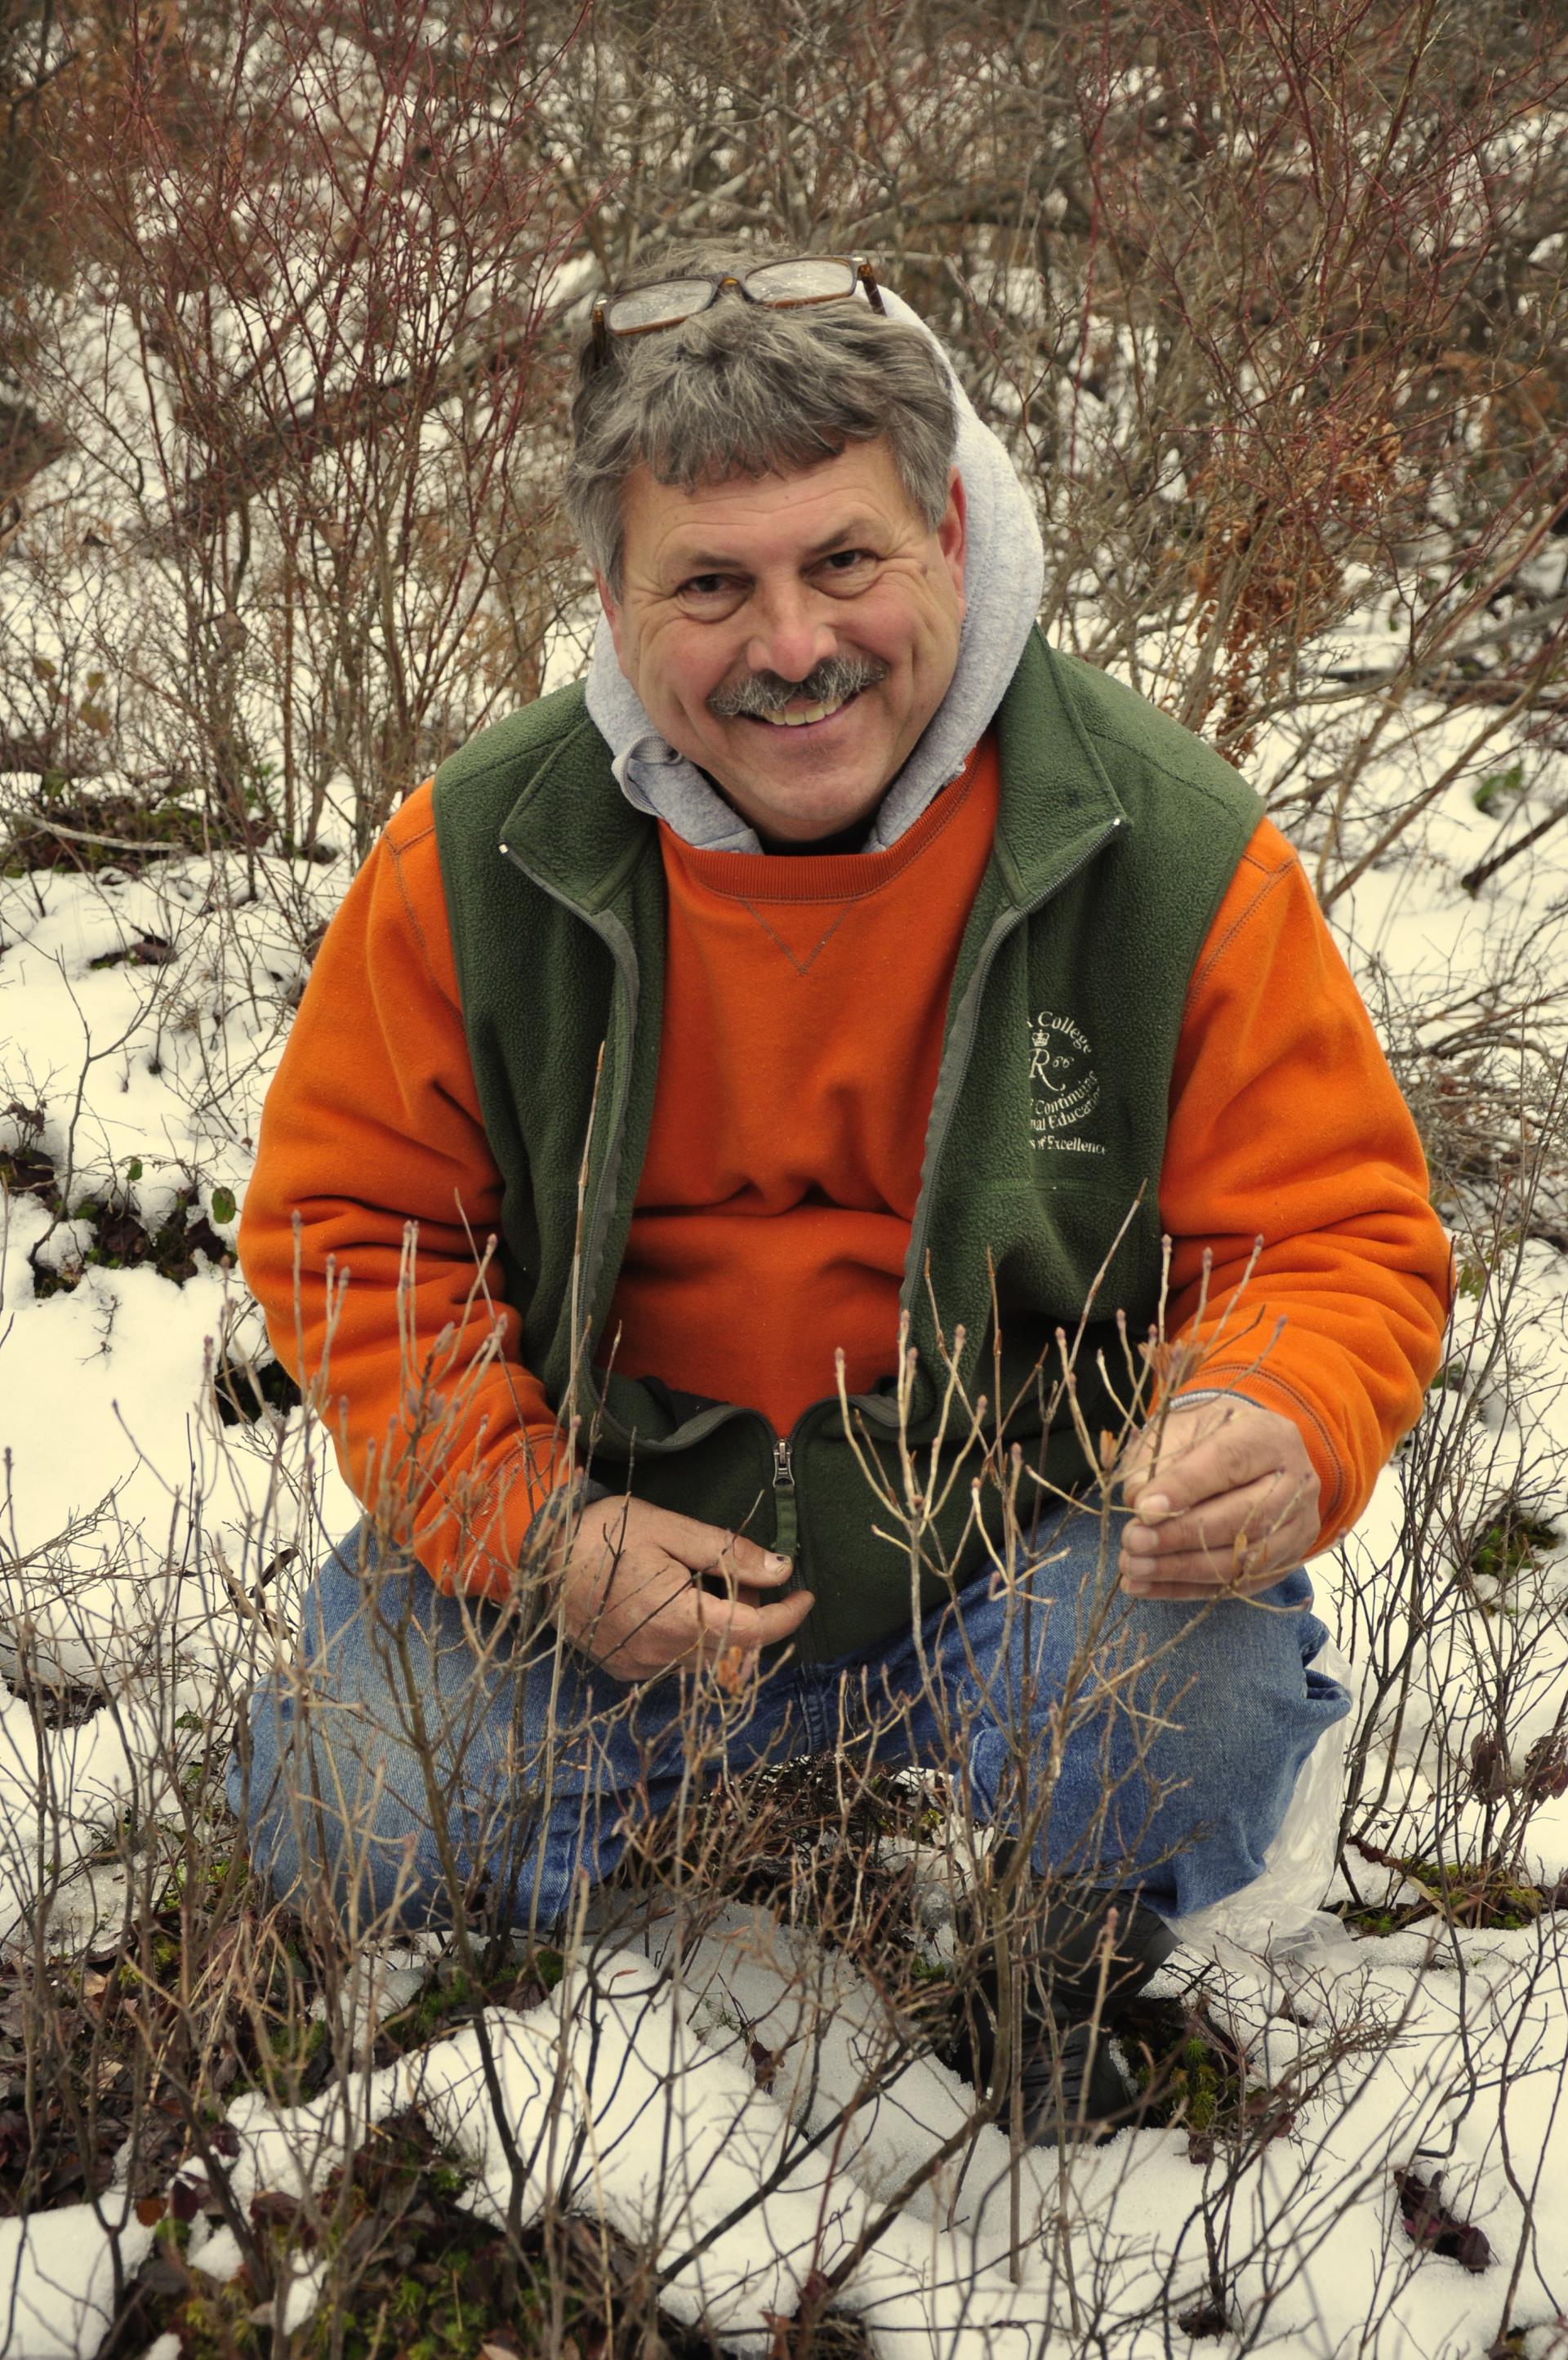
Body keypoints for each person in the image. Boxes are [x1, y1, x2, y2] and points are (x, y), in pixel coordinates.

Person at [232, 240, 1450, 2137]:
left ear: (949, 533)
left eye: (845, 563)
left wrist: (1274, 1409)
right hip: (613, 1551)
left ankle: (1075, 1930)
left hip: (1020, 1541)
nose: (791, 643)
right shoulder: (477, 850)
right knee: (360, 1811)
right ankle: (641, 1968)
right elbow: (346, 1229)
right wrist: (539, 1535)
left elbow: (1330, 1231)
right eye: (711, 583)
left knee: (1175, 1718)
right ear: (615, 597)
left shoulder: (1167, 837)